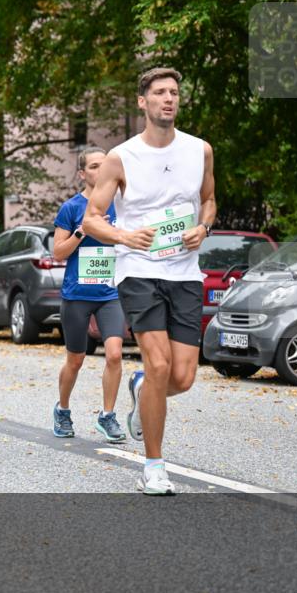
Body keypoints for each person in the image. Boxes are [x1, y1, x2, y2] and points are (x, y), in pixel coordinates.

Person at [82, 67, 216, 496]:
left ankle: (142, 391)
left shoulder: (199, 150)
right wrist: (124, 236)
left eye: (174, 92)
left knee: (183, 377)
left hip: (184, 273)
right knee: (158, 364)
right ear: (143, 101)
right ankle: (154, 466)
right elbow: (92, 219)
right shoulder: (121, 157)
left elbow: (209, 200)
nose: (168, 99)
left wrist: (204, 228)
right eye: (159, 92)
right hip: (138, 269)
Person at [50, 147, 126, 442]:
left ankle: (107, 415)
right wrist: (81, 231)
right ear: (82, 173)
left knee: (115, 354)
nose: (101, 170)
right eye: (94, 166)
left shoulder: (121, 206)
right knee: (76, 359)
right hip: (77, 296)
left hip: (110, 294)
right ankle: (62, 410)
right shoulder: (71, 208)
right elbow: (58, 253)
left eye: (105, 165)